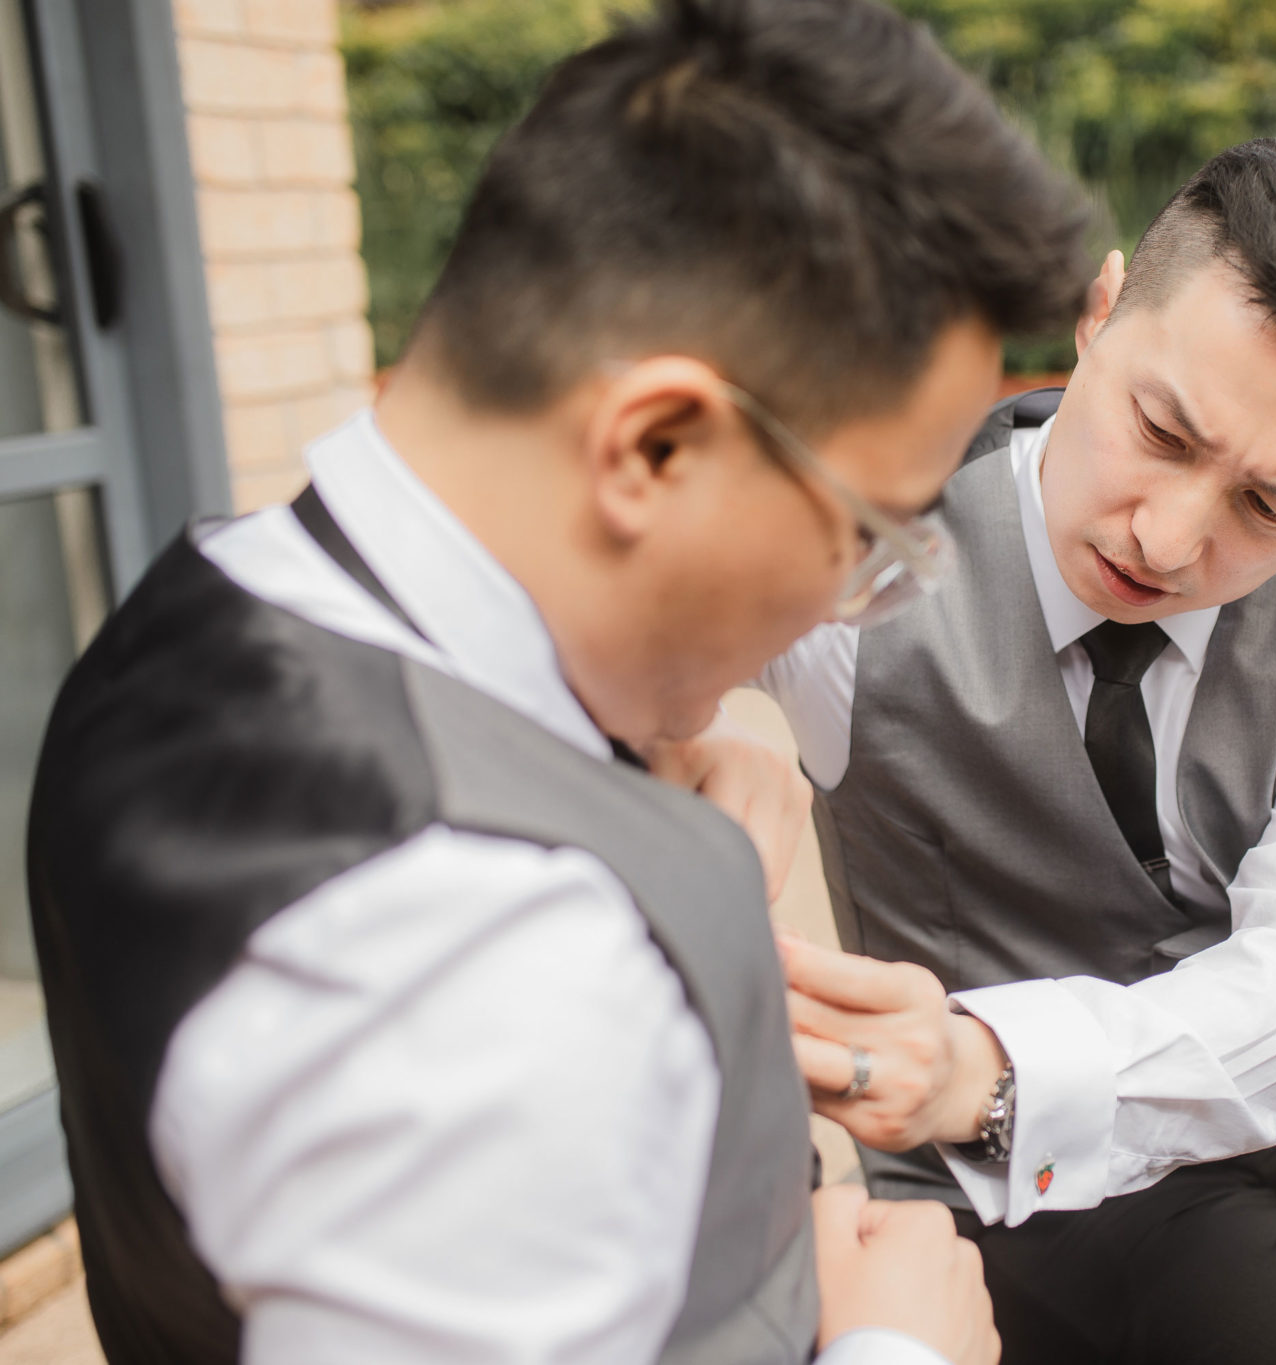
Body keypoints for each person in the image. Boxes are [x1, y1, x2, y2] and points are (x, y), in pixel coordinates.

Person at [24, 1, 1092, 1360]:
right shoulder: (488, 964)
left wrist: (631, 775)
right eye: (869, 531)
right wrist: (897, 1349)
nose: (854, 597)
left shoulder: (210, 601)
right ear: (653, 444)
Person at [757, 138, 1276, 1363]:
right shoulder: (861, 543)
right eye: (1162, 430)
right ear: (1097, 315)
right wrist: (691, 771)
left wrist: (983, 1064)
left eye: (1274, 505)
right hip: (993, 1162)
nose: (1170, 535)